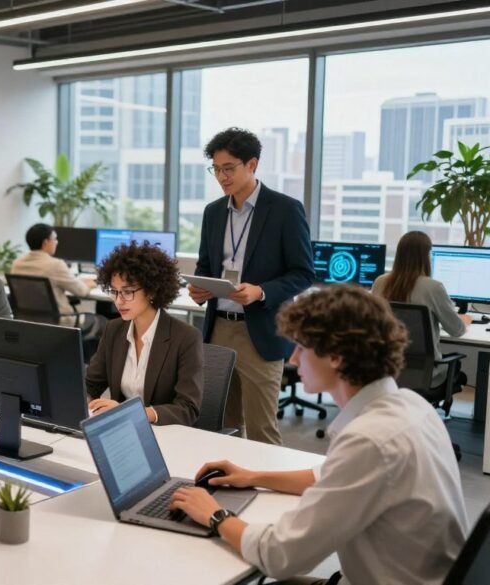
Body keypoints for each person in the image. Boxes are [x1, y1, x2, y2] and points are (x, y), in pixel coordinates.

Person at [169, 285, 467, 585]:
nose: (294, 359)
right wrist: (252, 477)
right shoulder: (410, 406)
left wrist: (215, 515)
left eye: (301, 347)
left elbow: (279, 555)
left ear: (335, 356)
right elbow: (328, 475)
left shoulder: (370, 440)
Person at [188, 127, 314, 444]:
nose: (221, 176)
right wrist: (199, 288)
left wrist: (261, 291)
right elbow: (206, 264)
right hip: (218, 328)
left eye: (228, 168)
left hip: (260, 329)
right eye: (216, 169)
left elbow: (302, 273)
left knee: (261, 431)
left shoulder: (285, 210)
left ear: (252, 164)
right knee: (221, 426)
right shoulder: (213, 212)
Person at [85, 242, 203, 426]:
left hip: (165, 433)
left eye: (128, 292)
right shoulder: (114, 329)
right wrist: (86, 402)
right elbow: (91, 383)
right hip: (122, 430)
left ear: (152, 290)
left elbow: (188, 408)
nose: (119, 301)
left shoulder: (186, 337)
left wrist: (132, 413)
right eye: (114, 292)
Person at [372, 230, 470, 386]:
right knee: (457, 367)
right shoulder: (433, 287)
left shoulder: (380, 282)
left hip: (386, 371)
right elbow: (456, 331)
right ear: (426, 257)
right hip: (424, 374)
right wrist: (464, 321)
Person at [9, 222, 105, 335]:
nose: (57, 242)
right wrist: (94, 282)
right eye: (54, 239)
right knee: (103, 321)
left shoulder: (17, 264)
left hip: (29, 321)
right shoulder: (55, 265)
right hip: (60, 321)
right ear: (45, 242)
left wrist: (79, 281)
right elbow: (82, 291)